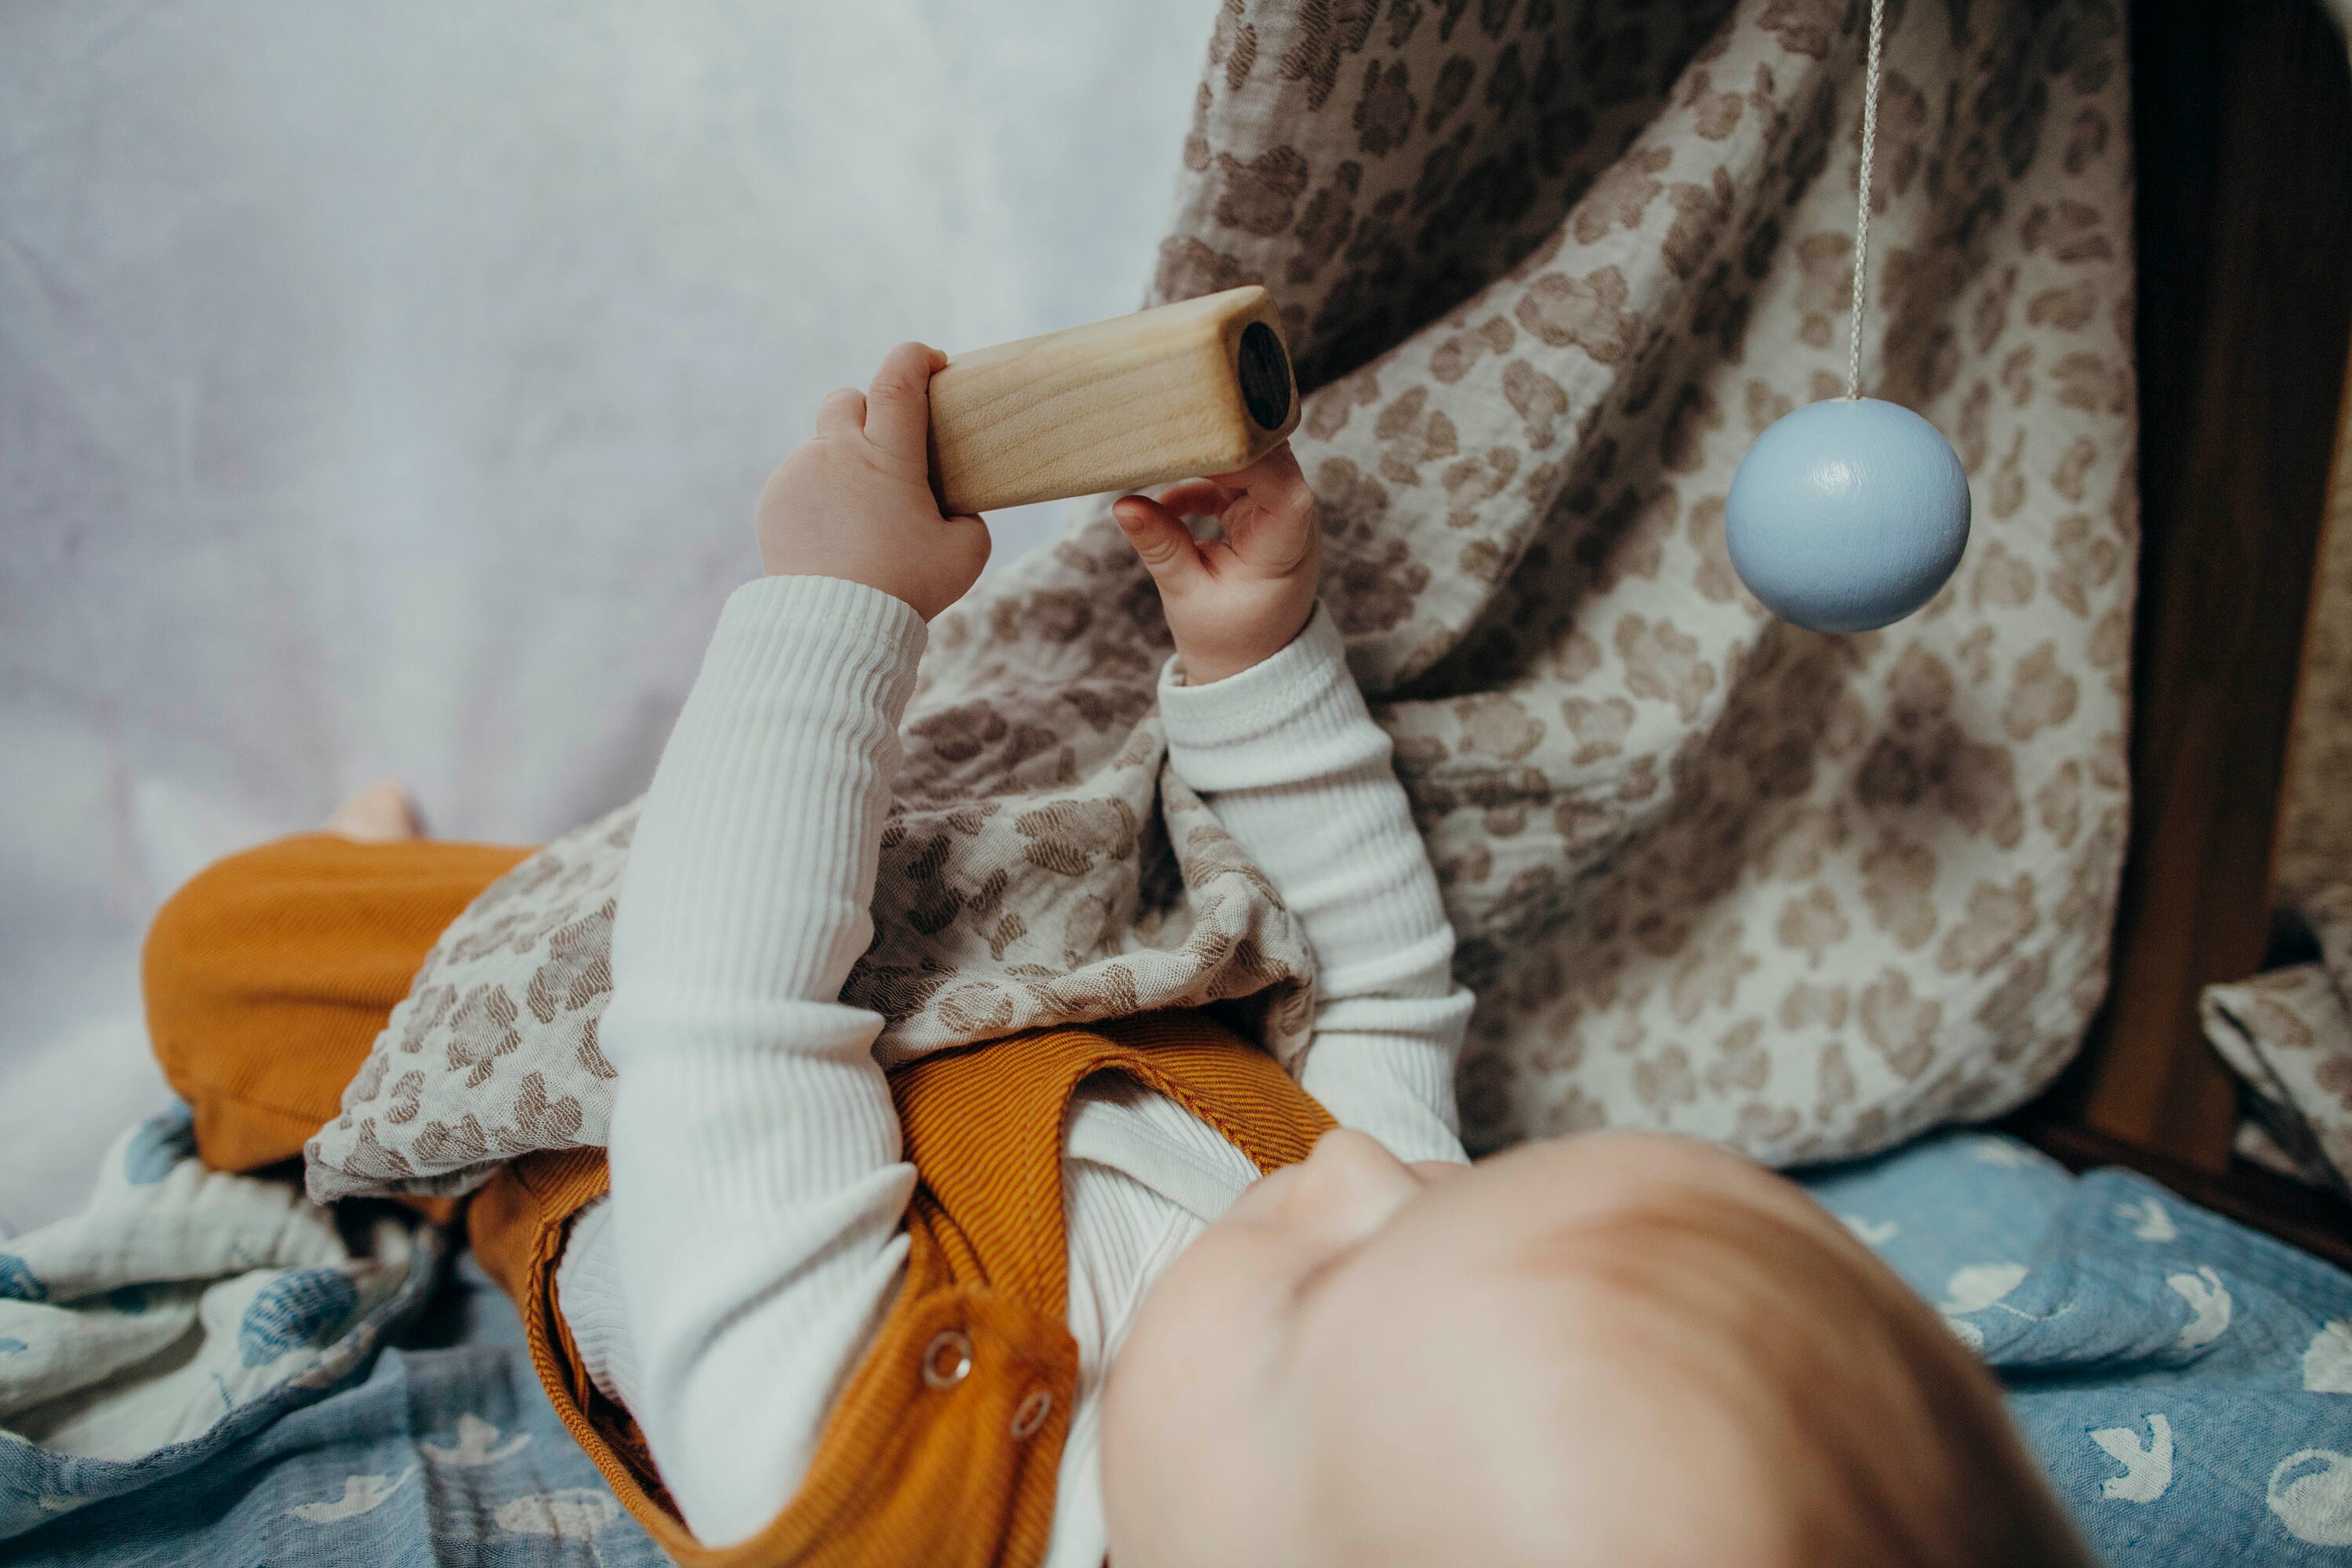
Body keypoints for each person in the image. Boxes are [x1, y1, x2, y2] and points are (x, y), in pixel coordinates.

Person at [144, 342, 2090, 1566]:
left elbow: (718, 1019)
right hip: (996, 973)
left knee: (224, 953)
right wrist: (1261, 660)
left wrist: (827, 605)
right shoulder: (1381, 1248)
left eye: (1332, 1294)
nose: (1360, 1188)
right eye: (1434, 1214)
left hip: (635, 1084)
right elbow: (1390, 988)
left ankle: (379, 966)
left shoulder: (865, 1486)